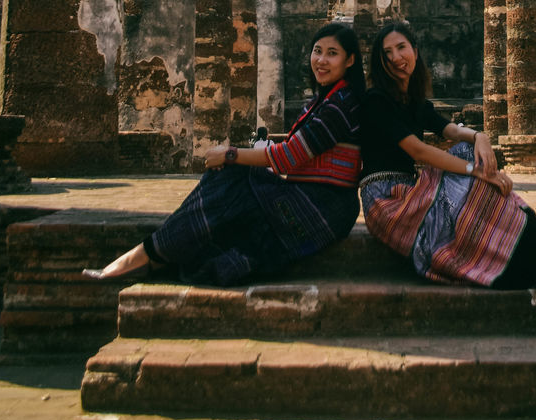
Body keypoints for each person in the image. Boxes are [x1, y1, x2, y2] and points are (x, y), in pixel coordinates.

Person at [83, 22, 365, 286]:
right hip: (310, 199)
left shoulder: (342, 104)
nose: (321, 60)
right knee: (229, 212)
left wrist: (231, 154)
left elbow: (288, 157)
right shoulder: (323, 101)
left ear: (349, 60)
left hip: (324, 208)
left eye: (332, 54)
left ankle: (148, 254)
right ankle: (156, 253)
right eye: (317, 51)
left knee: (232, 175)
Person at [360, 22, 536, 288]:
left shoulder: (412, 101)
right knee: (469, 174)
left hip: (410, 189)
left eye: (401, 48)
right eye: (387, 52)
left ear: (415, 49)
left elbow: (450, 130)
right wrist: (476, 171)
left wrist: (480, 137)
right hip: (385, 200)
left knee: (468, 151)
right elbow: (418, 150)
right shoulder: (376, 100)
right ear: (380, 61)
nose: (396, 58)